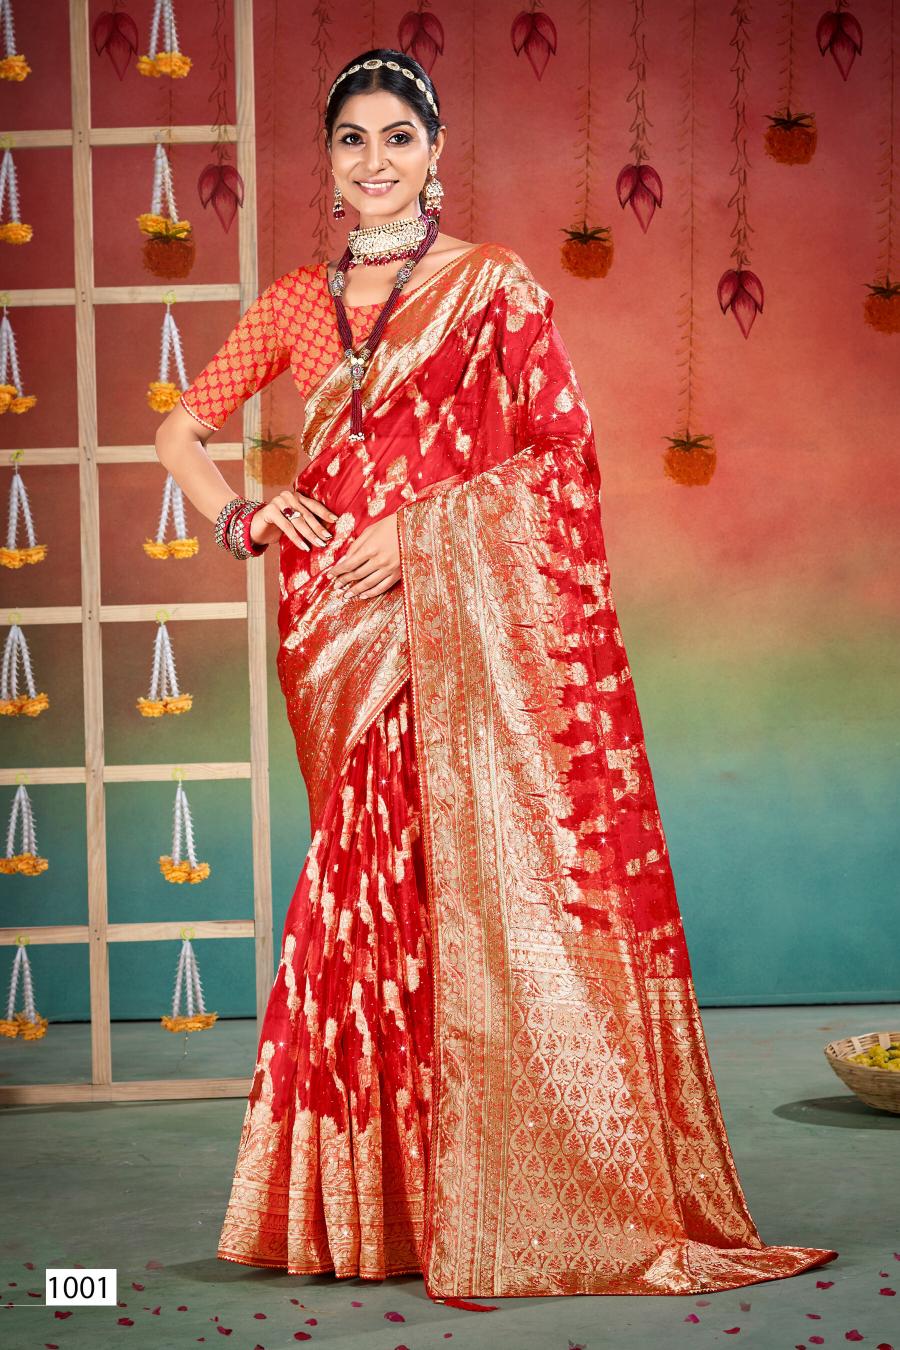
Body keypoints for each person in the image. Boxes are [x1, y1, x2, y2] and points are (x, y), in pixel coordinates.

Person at [154, 47, 838, 1302]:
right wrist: (248, 513)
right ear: (329, 158)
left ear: (436, 151)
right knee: (365, 889)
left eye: (397, 137)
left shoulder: (494, 284)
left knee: (457, 880)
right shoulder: (300, 299)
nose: (374, 160)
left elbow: (562, 457)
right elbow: (178, 430)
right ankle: (370, 1213)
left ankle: (471, 1189)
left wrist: (417, 539)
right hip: (335, 621)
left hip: (446, 615)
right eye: (351, 138)